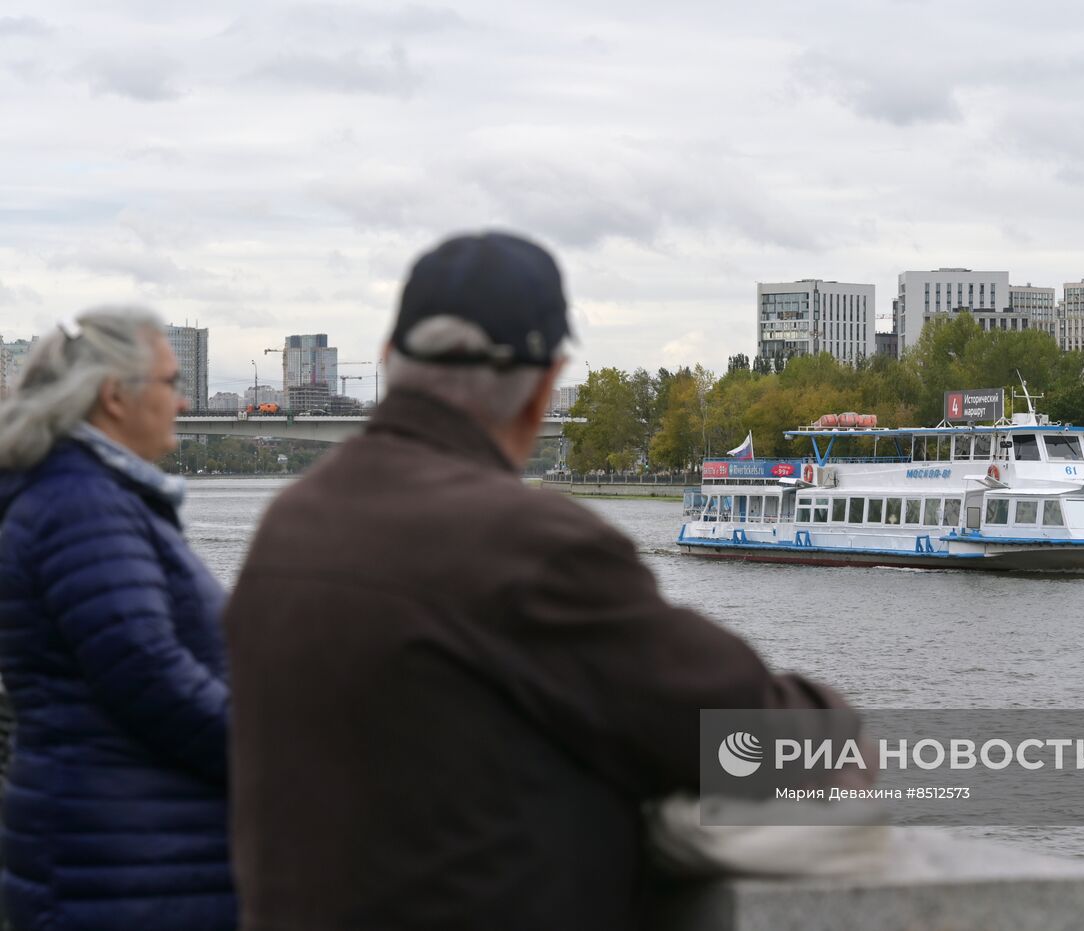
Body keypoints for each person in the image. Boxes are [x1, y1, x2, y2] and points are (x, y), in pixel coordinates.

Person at [223, 232, 861, 930]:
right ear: (544, 387)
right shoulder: (530, 545)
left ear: (387, 360)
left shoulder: (288, 525)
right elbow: (760, 735)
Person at [0, 309, 236, 931]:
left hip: (120, 847)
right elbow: (148, 674)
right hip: (120, 859)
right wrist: (274, 751)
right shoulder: (82, 506)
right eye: (171, 382)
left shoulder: (83, 494)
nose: (184, 403)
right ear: (113, 396)